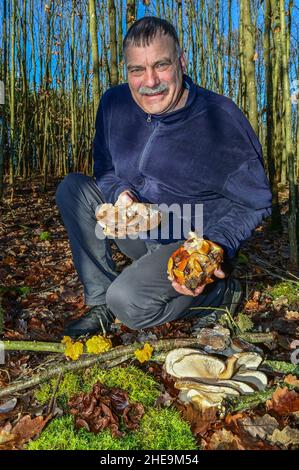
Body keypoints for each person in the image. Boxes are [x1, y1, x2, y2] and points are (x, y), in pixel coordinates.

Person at [56, 17, 272, 338]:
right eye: (137, 70)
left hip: (188, 240)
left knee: (127, 302)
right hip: (139, 227)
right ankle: (100, 304)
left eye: (161, 65)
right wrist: (120, 192)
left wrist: (216, 246)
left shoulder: (219, 119)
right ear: (126, 71)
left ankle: (219, 293)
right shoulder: (113, 104)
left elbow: (257, 201)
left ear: (181, 62)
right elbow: (104, 166)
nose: (150, 81)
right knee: (73, 189)